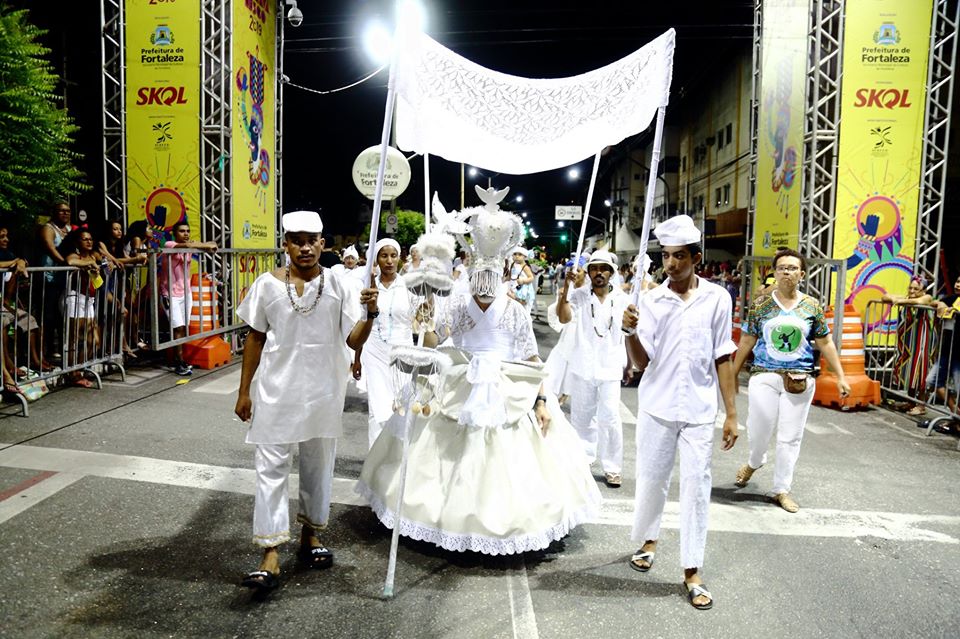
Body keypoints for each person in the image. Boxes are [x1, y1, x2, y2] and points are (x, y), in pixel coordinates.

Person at [357, 192, 601, 555]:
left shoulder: (515, 311)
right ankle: (448, 522)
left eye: (491, 275)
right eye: (479, 274)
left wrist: (541, 401)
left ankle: (501, 525)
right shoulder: (457, 304)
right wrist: (426, 317)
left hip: (507, 390)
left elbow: (532, 359)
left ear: (500, 275)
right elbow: (433, 340)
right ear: (471, 273)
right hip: (458, 382)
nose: (484, 282)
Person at [234, 210, 379, 592]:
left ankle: (311, 534)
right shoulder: (267, 285)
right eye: (296, 241)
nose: (304, 248)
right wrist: (244, 390)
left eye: (311, 240)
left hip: (322, 393)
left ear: (322, 243)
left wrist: (371, 314)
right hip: (275, 392)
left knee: (318, 465)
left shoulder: (338, 284)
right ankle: (269, 552)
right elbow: (255, 338)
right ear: (285, 244)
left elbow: (353, 339)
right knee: (270, 468)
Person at [622, 214, 739, 611]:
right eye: (665, 256)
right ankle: (648, 540)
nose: (670, 264)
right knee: (652, 479)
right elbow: (641, 363)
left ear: (696, 258)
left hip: (700, 410)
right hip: (657, 406)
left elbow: (723, 356)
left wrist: (731, 413)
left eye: (679, 256)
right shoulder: (651, 301)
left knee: (696, 488)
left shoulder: (718, 298)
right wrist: (629, 332)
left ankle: (692, 570)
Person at [730, 248, 850, 514]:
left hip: (799, 379)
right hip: (764, 375)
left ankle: (781, 489)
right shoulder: (761, 305)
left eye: (793, 268)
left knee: (790, 437)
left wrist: (841, 376)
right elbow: (747, 340)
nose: (787, 272)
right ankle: (755, 461)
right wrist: (733, 373)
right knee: (759, 429)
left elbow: (825, 342)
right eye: (782, 268)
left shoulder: (812, 306)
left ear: (802, 274)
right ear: (774, 273)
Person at [557, 249, 629, 487]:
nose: (599, 273)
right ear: (588, 273)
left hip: (611, 366)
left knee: (611, 418)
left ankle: (612, 467)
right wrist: (565, 290)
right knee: (582, 417)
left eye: (603, 269)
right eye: (594, 268)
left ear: (611, 272)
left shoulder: (623, 298)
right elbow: (564, 318)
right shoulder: (578, 295)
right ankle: (583, 460)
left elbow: (629, 331)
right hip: (583, 364)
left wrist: (629, 363)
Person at [359, 238, 412, 448]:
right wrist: (357, 359)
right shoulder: (368, 287)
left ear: (399, 258)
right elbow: (361, 322)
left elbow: (420, 323)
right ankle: (376, 459)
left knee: (403, 406)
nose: (389, 261)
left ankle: (400, 457)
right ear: (377, 259)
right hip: (374, 351)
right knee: (378, 408)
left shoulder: (409, 286)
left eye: (393, 256)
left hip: (403, 353)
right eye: (384, 256)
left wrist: (427, 308)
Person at [159, 222, 217, 376]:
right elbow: (194, 245)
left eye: (188, 231)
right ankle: (178, 362)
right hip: (170, 294)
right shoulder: (169, 245)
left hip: (186, 293)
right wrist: (205, 245)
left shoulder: (189, 246)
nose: (185, 234)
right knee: (177, 328)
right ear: (174, 233)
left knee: (183, 328)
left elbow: (211, 244)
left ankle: (181, 359)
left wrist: (207, 245)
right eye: (182, 231)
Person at [60, 228, 107, 387]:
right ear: (77, 242)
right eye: (84, 239)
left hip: (89, 300)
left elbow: (107, 263)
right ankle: (73, 374)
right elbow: (70, 262)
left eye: (90, 239)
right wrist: (89, 263)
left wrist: (103, 261)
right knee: (73, 339)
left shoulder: (94, 256)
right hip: (74, 299)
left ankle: (76, 369)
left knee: (94, 341)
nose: (89, 241)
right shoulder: (75, 255)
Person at [883, 276, 936, 416]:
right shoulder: (907, 298)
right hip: (910, 343)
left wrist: (900, 300)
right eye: (910, 288)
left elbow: (919, 301)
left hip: (923, 342)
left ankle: (921, 405)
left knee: (921, 371)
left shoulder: (927, 297)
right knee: (910, 370)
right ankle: (911, 401)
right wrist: (894, 298)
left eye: (916, 289)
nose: (912, 291)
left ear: (923, 290)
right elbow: (884, 297)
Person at [36, 201, 73, 360]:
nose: (65, 213)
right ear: (54, 212)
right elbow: (50, 248)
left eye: (68, 211)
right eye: (61, 211)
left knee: (62, 315)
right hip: (49, 278)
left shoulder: (70, 230)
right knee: (48, 316)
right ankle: (47, 350)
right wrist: (66, 264)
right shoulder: (48, 229)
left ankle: (63, 347)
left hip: (65, 279)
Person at [931, 274, 960, 432]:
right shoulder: (952, 299)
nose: (958, 285)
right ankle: (956, 415)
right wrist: (941, 304)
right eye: (957, 281)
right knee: (933, 381)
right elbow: (933, 301)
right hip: (946, 351)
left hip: (958, 355)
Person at [507, 246, 535, 318]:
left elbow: (531, 277)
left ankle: (524, 319)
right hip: (513, 286)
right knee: (513, 308)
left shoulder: (525, 267)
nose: (517, 256)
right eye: (515, 254)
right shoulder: (512, 265)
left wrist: (523, 281)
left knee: (523, 309)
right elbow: (510, 276)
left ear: (525, 256)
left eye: (520, 254)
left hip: (522, 289)